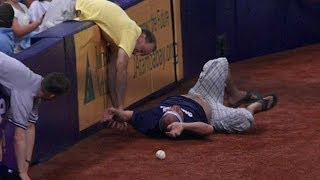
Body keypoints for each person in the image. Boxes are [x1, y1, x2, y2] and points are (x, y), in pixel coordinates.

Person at [103, 57, 278, 138]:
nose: (174, 107)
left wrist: (117, 113)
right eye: (177, 112)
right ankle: (253, 107)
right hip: (213, 112)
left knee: (219, 63)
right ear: (178, 121)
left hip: (199, 92)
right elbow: (209, 129)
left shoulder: (151, 120)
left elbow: (129, 116)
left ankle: (234, 95)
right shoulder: (186, 128)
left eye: (171, 109)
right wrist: (184, 126)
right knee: (245, 119)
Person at [38, 0, 157, 109]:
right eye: (142, 50)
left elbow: (112, 72)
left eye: (142, 55)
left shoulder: (122, 39)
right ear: (142, 37)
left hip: (73, 9)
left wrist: (116, 108)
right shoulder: (131, 33)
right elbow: (122, 70)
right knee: (40, 42)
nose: (138, 54)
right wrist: (121, 107)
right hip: (68, 5)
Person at [0, 52, 71, 180]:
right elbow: (19, 136)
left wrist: (26, 163)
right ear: (53, 96)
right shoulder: (26, 94)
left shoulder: (38, 84)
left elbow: (30, 126)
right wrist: (22, 173)